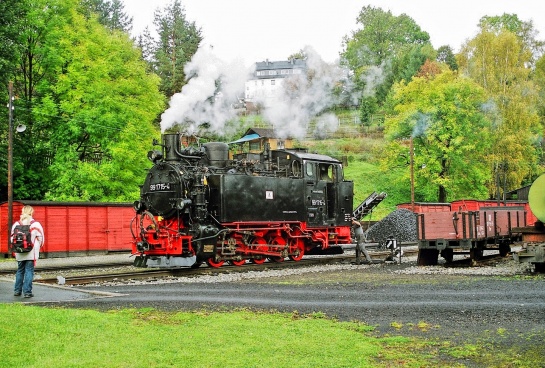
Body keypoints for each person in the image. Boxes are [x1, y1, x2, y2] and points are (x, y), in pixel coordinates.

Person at [11, 205, 45, 298]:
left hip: (19, 252)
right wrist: (37, 247)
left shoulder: (16, 224)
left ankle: (17, 291)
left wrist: (18, 248)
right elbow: (41, 239)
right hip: (31, 252)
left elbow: (12, 239)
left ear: (22, 212)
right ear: (31, 212)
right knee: (29, 271)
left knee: (20, 271)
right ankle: (27, 292)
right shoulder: (35, 224)